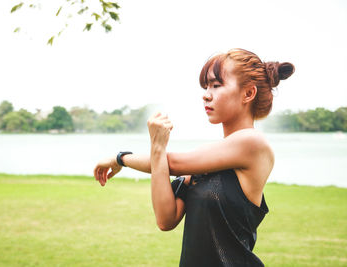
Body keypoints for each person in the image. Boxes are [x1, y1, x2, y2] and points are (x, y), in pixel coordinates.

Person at [93, 48, 295, 266]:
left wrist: (120, 158)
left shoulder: (253, 143)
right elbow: (165, 218)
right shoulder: (208, 160)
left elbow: (174, 164)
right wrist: (157, 149)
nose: (206, 94)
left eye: (216, 85)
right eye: (206, 86)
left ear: (248, 94)